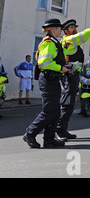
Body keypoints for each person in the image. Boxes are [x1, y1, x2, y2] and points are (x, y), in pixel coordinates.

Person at [23, 19, 69, 148]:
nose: (61, 30)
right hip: (48, 79)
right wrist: (62, 68)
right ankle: (30, 133)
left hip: (52, 79)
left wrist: (64, 53)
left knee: (55, 111)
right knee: (49, 111)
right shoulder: (49, 43)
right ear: (53, 29)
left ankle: (49, 140)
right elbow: (44, 63)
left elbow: (55, 59)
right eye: (59, 28)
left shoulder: (54, 43)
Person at [57, 19, 90, 141]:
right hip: (68, 76)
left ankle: (62, 130)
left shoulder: (73, 43)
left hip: (74, 76)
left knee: (70, 104)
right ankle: (59, 130)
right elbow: (83, 35)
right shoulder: (68, 40)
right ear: (66, 30)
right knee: (67, 104)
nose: (74, 29)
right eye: (72, 27)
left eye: (74, 27)